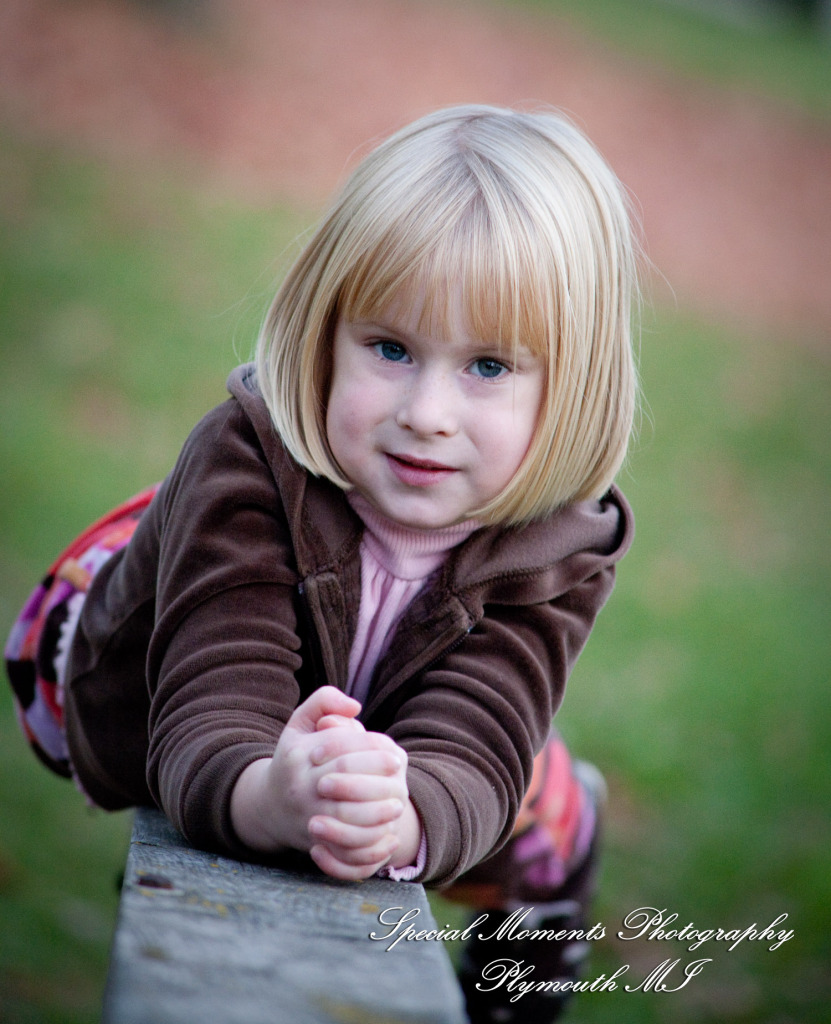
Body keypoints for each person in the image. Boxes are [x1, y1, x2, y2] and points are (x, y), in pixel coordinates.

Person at [5, 104, 638, 1022]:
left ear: (573, 385)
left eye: (488, 367)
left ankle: (523, 958)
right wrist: (268, 796)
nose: (426, 414)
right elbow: (214, 704)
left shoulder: (556, 544)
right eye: (390, 348)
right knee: (211, 808)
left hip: (394, 708)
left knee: (528, 810)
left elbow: (477, 731)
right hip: (171, 679)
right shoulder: (250, 465)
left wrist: (403, 817)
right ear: (325, 331)